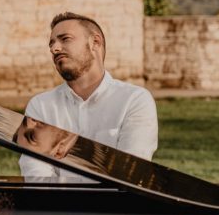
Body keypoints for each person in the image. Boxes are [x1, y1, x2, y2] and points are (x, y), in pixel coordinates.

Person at [18, 12, 157, 179]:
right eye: (52, 44)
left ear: (95, 42)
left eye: (65, 39)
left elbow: (131, 174)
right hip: (55, 205)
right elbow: (36, 176)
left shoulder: (134, 100)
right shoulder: (40, 105)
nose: (54, 48)